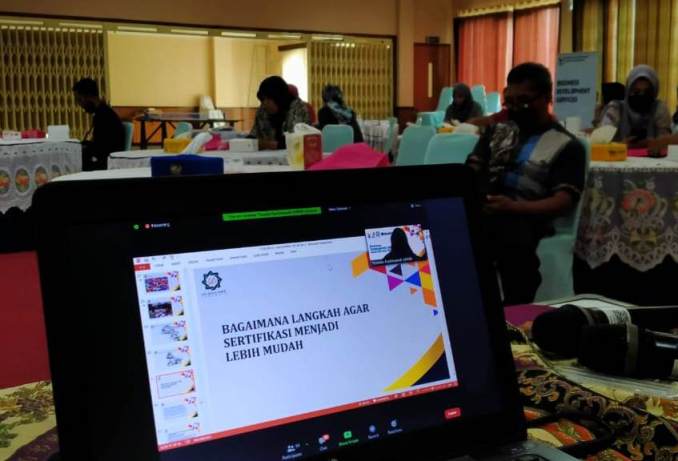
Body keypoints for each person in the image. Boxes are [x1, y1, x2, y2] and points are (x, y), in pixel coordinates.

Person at [466, 62, 586, 305]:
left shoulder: (567, 145)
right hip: (486, 208)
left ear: (546, 98)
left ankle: (514, 312)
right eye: (509, 101)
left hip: (527, 217)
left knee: (508, 237)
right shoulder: (496, 132)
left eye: (524, 101)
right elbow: (471, 171)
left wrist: (513, 207)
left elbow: (563, 201)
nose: (515, 108)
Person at [599, 65, 671, 145]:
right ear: (628, 91)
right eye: (636, 91)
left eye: (647, 92)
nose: (641, 96)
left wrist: (654, 143)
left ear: (654, 93)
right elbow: (601, 141)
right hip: (618, 152)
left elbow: (666, 143)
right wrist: (621, 145)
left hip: (653, 152)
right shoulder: (616, 108)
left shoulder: (659, 109)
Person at [73, 78, 125, 171]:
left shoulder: (104, 116)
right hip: (104, 158)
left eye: (80, 100)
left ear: (89, 96)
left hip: (106, 163)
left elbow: (102, 149)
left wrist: (82, 148)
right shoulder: (102, 112)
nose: (80, 104)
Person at [250, 76, 311, 150]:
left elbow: (296, 141)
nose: (265, 104)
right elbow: (252, 137)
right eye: (263, 100)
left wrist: (267, 144)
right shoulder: (263, 110)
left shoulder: (298, 108)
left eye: (268, 99)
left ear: (279, 98)